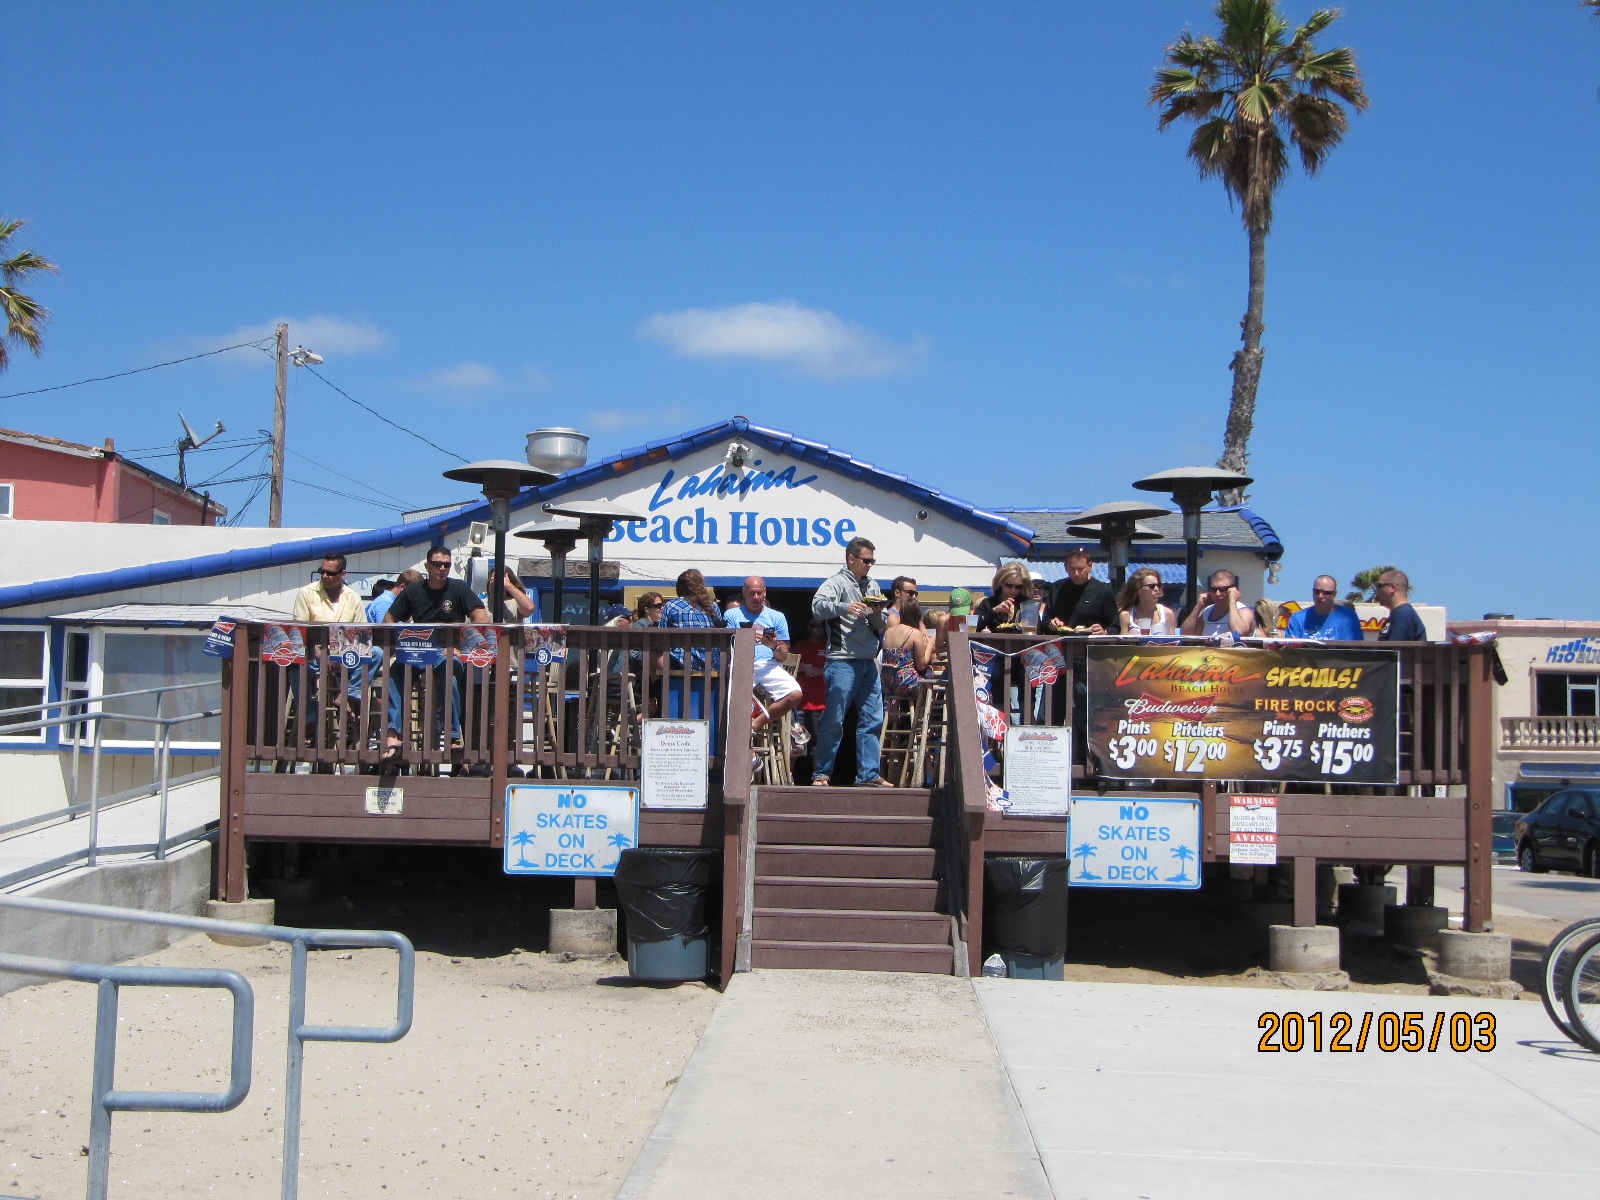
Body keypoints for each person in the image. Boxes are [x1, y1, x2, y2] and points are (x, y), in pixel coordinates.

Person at [380, 545, 489, 763]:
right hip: (416, 652)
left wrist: (463, 646)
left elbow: (481, 617)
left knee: (450, 671)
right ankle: (394, 734)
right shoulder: (413, 590)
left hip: (446, 653)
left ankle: (453, 736)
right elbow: (389, 617)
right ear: (427, 566)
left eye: (447, 564)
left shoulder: (458, 588)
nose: (442, 568)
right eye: (437, 564)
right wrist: (401, 639)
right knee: (393, 675)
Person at [810, 536, 891, 787]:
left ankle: (868, 774)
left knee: (872, 719)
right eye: (866, 560)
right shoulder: (836, 582)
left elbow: (883, 623)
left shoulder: (873, 585)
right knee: (834, 719)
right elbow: (817, 607)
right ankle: (821, 774)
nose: (869, 565)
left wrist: (877, 613)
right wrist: (846, 607)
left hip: (868, 662)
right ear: (851, 558)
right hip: (842, 661)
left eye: (872, 561)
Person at [727, 576, 802, 733]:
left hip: (768, 664)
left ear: (765, 592)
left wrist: (774, 646)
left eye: (759, 593)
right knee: (733, 701)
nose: (756, 597)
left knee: (795, 694)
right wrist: (745, 640)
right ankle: (745, 747)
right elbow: (726, 648)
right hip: (741, 664)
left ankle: (756, 723)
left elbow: (783, 656)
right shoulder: (732, 615)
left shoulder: (777, 617)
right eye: (752, 593)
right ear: (744, 592)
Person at [658, 568, 726, 670]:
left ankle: (657, 684)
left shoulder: (672, 605)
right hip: (709, 666)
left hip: (681, 666)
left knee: (653, 652)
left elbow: (660, 636)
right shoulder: (713, 606)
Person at [1047, 550, 1118, 634]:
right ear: (1066, 567)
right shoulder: (1056, 589)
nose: (1076, 573)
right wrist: (1051, 623)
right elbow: (1045, 620)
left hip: (1090, 643)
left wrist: (1104, 632)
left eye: (1080, 569)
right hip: (1061, 642)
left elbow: (1115, 626)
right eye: (1072, 569)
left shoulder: (1103, 591)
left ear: (1090, 566)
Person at [1180, 569, 1258, 638]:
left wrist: (1232, 601)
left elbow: (1238, 633)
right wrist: (1198, 606)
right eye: (1213, 589)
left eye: (1222, 589)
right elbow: (1186, 633)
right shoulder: (1207, 611)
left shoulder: (1244, 611)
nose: (1217, 594)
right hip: (1209, 653)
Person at [880, 596, 933, 698]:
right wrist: (930, 644)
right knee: (930, 678)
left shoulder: (888, 632)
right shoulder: (914, 633)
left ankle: (898, 712)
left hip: (887, 684)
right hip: (906, 683)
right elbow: (921, 665)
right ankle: (928, 713)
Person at [1285, 575, 1362, 641]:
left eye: (1327, 593)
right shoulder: (1298, 618)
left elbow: (1354, 648)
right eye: (1317, 591)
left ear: (1334, 594)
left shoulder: (1348, 617)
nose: (1320, 596)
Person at [975, 562, 1035, 633]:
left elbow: (1038, 630)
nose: (1013, 590)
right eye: (1009, 585)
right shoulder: (987, 604)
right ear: (1000, 582)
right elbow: (974, 626)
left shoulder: (1028, 605)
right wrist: (994, 611)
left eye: (1018, 586)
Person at [1116, 567, 1177, 635]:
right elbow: (1123, 644)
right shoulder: (1126, 616)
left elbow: (1173, 643)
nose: (1156, 589)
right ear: (1139, 590)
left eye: (1158, 585)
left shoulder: (1167, 614)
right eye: (1151, 586)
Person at [1376, 569, 1427, 641]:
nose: (1377, 590)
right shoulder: (1399, 614)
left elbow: (1395, 650)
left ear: (1392, 588)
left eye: (1379, 586)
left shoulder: (1403, 615)